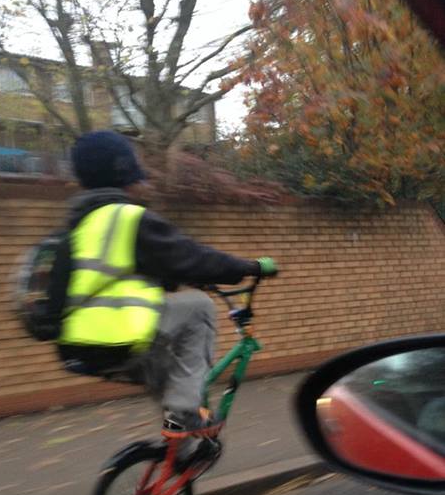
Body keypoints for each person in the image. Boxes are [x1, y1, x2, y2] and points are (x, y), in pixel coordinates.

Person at [48, 130, 277, 455]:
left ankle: (176, 456)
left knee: (168, 371)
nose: (144, 182)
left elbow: (135, 271)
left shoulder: (81, 224)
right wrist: (251, 267)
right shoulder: (128, 218)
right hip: (116, 338)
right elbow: (192, 257)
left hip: (81, 347)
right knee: (199, 307)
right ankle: (187, 412)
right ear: (121, 171)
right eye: (136, 172)